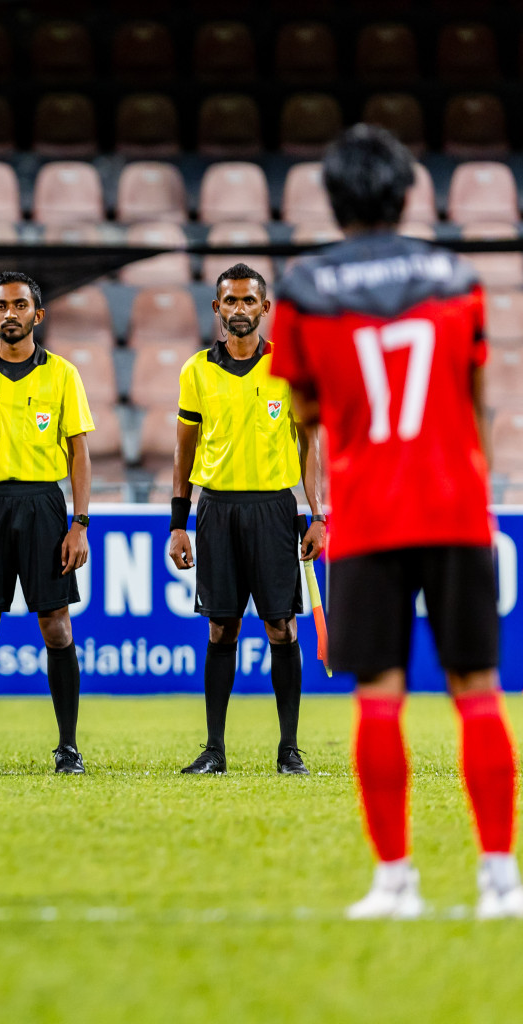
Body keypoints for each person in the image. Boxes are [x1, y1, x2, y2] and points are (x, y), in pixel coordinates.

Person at [271, 124, 522, 918]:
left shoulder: (305, 286)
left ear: (335, 196)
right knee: (478, 692)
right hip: (453, 505)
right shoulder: (456, 276)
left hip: (371, 510)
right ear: (408, 191)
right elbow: (479, 397)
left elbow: (305, 408)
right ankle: (499, 881)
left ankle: (394, 882)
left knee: (379, 696)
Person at [168, 264, 325, 776]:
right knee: (221, 628)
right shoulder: (196, 371)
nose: (239, 309)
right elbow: (183, 453)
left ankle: (289, 750)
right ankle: (214, 749)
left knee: (281, 628)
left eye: (248, 301)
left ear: (265, 307)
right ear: (217, 308)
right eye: (230, 301)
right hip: (216, 509)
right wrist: (178, 522)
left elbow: (310, 445)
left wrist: (318, 515)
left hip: (275, 510)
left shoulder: (290, 367)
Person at [0, 271, 93, 775]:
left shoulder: (63, 374)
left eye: (20, 305)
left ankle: (68, 747)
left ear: (37, 314)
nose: (11, 313)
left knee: (56, 627)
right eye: (2, 306)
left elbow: (79, 452)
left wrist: (80, 522)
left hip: (45, 507)